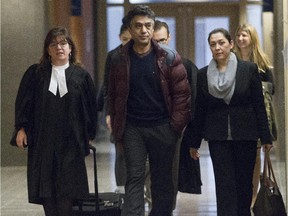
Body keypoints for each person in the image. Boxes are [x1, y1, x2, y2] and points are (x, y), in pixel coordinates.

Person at [107, 5, 191, 216]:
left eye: (148, 26)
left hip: (163, 127)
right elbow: (112, 92)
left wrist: (174, 128)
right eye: (138, 26)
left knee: (162, 180)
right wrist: (116, 123)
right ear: (130, 29)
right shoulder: (118, 58)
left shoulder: (169, 57)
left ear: (153, 29)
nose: (143, 30)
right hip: (132, 128)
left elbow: (182, 96)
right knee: (134, 177)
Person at [12, 26, 97, 216]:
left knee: (67, 194)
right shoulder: (36, 74)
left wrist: (89, 135)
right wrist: (21, 128)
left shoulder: (81, 76)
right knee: (47, 194)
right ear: (48, 49)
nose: (59, 47)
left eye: (63, 43)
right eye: (53, 44)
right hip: (43, 143)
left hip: (71, 144)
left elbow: (90, 108)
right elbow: (23, 103)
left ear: (70, 48)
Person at [187, 28, 273, 216]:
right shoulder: (203, 75)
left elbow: (258, 105)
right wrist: (194, 142)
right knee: (224, 184)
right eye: (213, 44)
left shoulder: (248, 69)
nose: (217, 47)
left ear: (231, 44)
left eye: (221, 43)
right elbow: (200, 109)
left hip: (246, 134)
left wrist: (266, 137)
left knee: (244, 183)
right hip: (218, 137)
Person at [152, 20, 202, 210]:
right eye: (155, 41)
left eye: (162, 40)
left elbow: (194, 101)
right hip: (146, 128)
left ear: (169, 38)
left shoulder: (185, 66)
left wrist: (190, 134)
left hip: (174, 130)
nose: (159, 45)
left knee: (169, 176)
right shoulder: (139, 66)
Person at [234, 23, 276, 207]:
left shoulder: (262, 62)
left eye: (245, 35)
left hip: (258, 115)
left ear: (252, 38)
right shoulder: (232, 60)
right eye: (239, 35)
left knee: (255, 157)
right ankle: (241, 195)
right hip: (238, 116)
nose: (241, 39)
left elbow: (271, 88)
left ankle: (252, 199)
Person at [97, 22, 131, 194]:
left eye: (129, 39)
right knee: (121, 149)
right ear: (119, 38)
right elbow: (107, 87)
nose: (127, 43)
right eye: (124, 39)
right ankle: (122, 187)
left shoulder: (143, 53)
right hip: (119, 110)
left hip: (138, 110)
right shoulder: (114, 56)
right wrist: (108, 112)